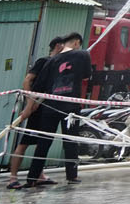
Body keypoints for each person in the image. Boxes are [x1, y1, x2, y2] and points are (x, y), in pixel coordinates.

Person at [16, 32, 91, 188]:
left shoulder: (52, 60)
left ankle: (32, 177)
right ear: (76, 43)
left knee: (44, 142)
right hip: (70, 107)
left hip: (50, 107)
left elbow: (38, 87)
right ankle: (72, 176)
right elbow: (86, 76)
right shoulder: (83, 54)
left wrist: (28, 108)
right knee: (70, 141)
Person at [6, 37, 64, 189]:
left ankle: (39, 175)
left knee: (42, 143)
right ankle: (12, 178)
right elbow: (27, 80)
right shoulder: (43, 61)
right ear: (58, 46)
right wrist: (30, 103)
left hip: (48, 108)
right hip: (36, 108)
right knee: (25, 142)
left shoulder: (60, 65)